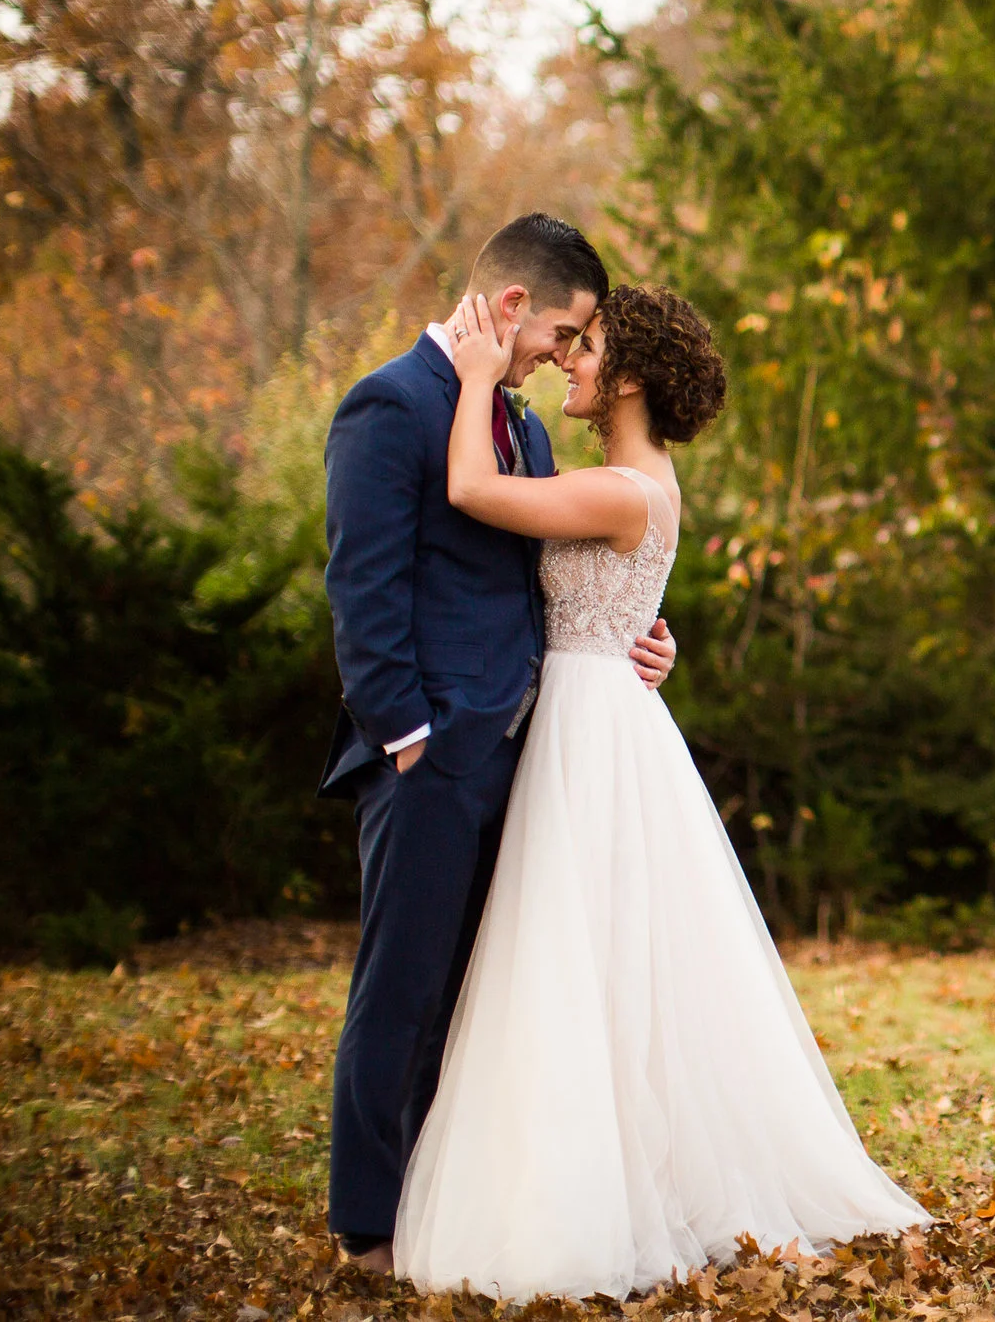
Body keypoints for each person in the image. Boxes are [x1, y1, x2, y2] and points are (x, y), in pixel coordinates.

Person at [392, 283, 929, 1299]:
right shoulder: (624, 481)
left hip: (591, 731)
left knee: (579, 953)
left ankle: (591, 1195)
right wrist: (645, 637)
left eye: (584, 348)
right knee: (599, 956)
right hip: (594, 706)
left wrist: (469, 378)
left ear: (630, 375)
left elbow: (469, 489)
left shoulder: (625, 488)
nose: (568, 362)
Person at [320, 216, 678, 1272]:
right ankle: (367, 1223)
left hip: (522, 752)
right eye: (562, 332)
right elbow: (363, 586)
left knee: (472, 992)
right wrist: (407, 732)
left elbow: (551, 568)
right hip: (430, 753)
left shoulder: (516, 424)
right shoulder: (391, 404)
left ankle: (442, 1198)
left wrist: (639, 634)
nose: (563, 356)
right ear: (512, 306)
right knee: (402, 983)